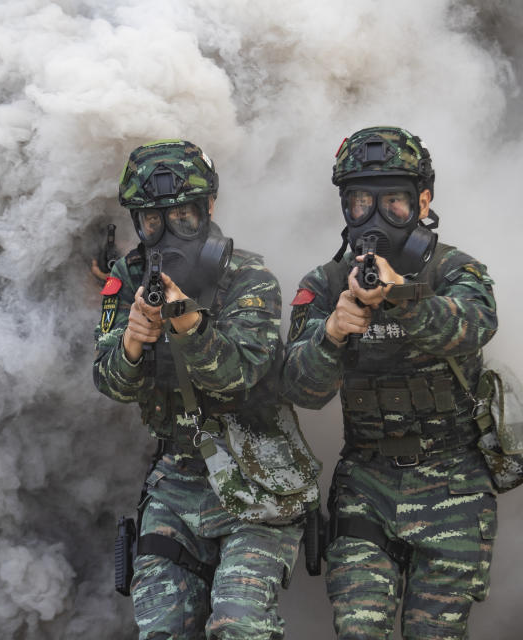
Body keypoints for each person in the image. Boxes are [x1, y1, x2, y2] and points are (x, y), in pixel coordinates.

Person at [94, 139, 318, 640]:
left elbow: (239, 373)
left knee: (239, 626)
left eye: (183, 216)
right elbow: (108, 381)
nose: (169, 231)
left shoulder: (249, 278)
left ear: (208, 208)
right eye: (153, 221)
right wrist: (131, 343)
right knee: (163, 630)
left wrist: (189, 324)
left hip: (259, 473)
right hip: (176, 480)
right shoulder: (126, 282)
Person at [281, 126, 499, 639]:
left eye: (394, 202)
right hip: (367, 483)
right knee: (359, 629)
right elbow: (301, 392)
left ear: (424, 200)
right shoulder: (325, 284)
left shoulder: (455, 270)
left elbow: (474, 325)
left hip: (453, 482)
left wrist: (401, 296)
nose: (375, 217)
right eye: (360, 202)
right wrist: (331, 335)